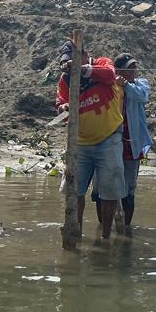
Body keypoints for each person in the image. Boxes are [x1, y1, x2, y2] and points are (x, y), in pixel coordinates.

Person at [55, 39, 126, 240]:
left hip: (108, 137)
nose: (69, 65)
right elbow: (60, 102)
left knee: (110, 190)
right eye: (67, 62)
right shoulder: (65, 80)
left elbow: (110, 75)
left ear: (85, 55)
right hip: (81, 142)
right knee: (74, 189)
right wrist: (63, 108)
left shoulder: (102, 63)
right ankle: (75, 232)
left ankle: (105, 237)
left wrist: (83, 70)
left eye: (73, 60)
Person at [112, 53, 154, 233]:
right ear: (118, 71)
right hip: (110, 143)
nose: (133, 71)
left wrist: (126, 85)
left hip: (132, 144)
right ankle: (108, 228)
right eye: (129, 68)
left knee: (129, 189)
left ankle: (126, 229)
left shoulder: (140, 84)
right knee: (104, 190)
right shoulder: (110, 86)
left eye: (134, 68)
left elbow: (142, 96)